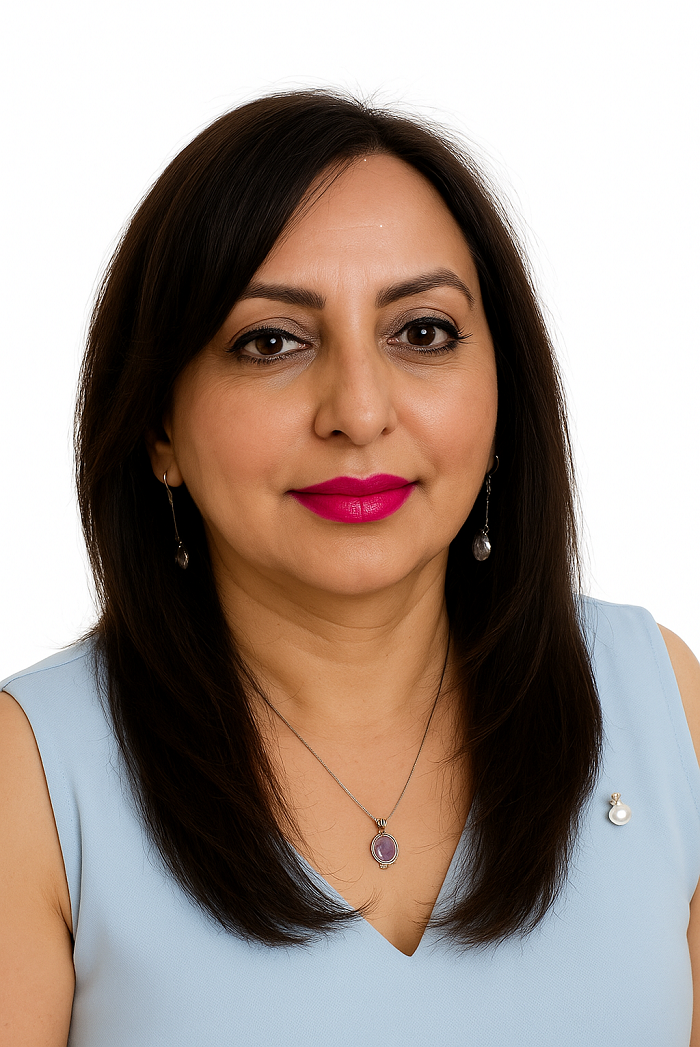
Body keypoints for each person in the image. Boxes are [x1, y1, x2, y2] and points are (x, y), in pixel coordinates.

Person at [1, 90, 699, 1047]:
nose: (359, 412)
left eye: (422, 332)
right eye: (271, 342)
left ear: (503, 394)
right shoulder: (29, 777)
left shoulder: (660, 698)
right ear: (158, 424)